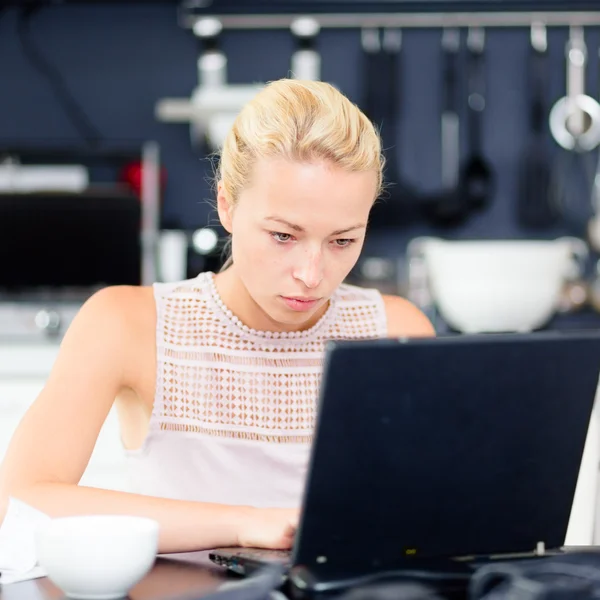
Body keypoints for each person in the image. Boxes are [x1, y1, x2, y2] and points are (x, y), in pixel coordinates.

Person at [0, 79, 434, 554]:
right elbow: (20, 503)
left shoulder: (396, 332)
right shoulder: (126, 324)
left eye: (343, 241)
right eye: (284, 236)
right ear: (227, 204)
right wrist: (244, 524)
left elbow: (442, 512)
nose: (312, 275)